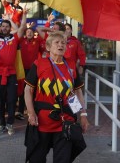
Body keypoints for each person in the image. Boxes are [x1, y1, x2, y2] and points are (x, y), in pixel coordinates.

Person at [24, 31, 89, 162]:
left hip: (65, 121)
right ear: (48, 47)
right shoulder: (39, 64)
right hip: (42, 121)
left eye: (63, 43)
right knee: (36, 159)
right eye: (57, 42)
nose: (61, 45)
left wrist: (82, 115)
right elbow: (28, 91)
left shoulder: (71, 66)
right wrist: (31, 113)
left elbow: (75, 93)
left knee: (63, 160)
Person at [0, 4, 27, 135]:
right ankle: (1, 124)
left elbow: (23, 27)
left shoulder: (15, 38)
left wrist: (24, 14)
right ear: (1, 28)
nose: (5, 28)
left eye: (7, 26)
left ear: (10, 28)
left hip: (11, 74)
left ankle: (10, 124)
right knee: (0, 100)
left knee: (12, 99)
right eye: (3, 26)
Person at [16, 26, 43, 120]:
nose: (29, 33)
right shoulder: (20, 41)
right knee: (23, 90)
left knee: (34, 91)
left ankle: (33, 110)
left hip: (34, 70)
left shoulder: (38, 41)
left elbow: (44, 37)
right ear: (25, 33)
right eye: (27, 31)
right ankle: (20, 111)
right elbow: (16, 30)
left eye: (31, 31)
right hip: (22, 69)